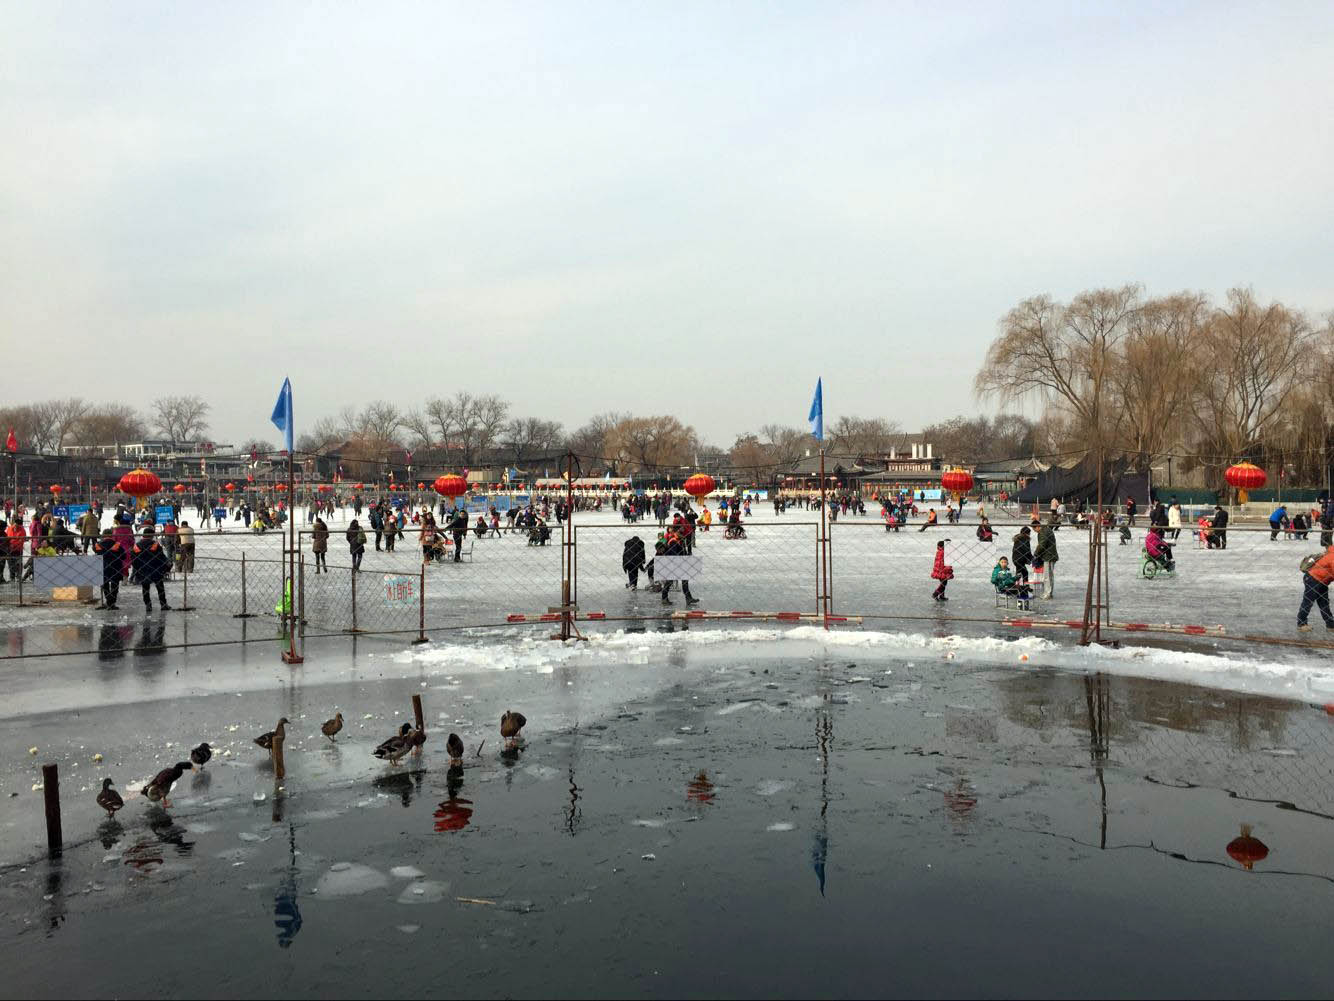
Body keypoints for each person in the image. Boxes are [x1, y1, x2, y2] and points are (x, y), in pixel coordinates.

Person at [131, 526, 172, 611]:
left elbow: (133, 559)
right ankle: (163, 604)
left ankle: (148, 605)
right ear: (152, 535)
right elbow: (162, 558)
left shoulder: (137, 546)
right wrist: (165, 567)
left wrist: (137, 569)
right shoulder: (155, 545)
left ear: (143, 535)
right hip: (155, 570)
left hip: (143, 570)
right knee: (160, 587)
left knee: (145, 588)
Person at [1297, 545, 1334, 632]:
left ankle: (1330, 625)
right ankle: (1301, 624)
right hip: (1313, 579)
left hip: (1322, 581)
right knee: (1308, 601)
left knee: (1323, 602)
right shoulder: (1333, 556)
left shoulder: (1331, 553)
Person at [93, 528, 123, 609]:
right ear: (112, 535)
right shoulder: (117, 544)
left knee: (105, 585)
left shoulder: (98, 545)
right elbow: (123, 556)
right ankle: (112, 602)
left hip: (103, 568)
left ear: (103, 535)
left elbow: (96, 554)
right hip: (115, 568)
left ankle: (108, 600)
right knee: (115, 585)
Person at [1034, 521, 1059, 598]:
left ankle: (1047, 593)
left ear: (1038, 526)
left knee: (1047, 576)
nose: (1035, 531)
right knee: (1050, 575)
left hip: (1048, 556)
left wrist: (1036, 554)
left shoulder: (1043, 532)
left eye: (1034, 529)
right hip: (1051, 555)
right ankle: (1049, 593)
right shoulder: (1047, 530)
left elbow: (1042, 545)